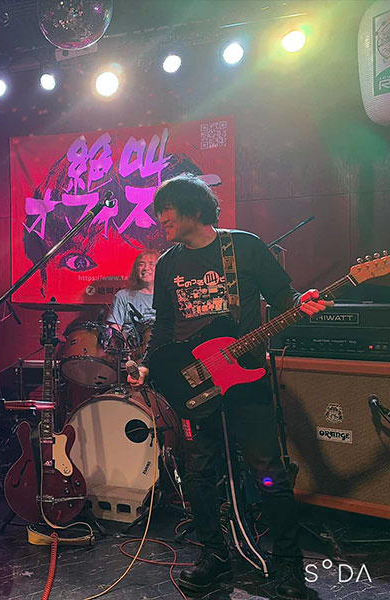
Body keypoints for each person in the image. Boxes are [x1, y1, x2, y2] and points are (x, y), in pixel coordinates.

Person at [128, 174, 330, 600]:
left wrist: (302, 303)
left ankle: (289, 566)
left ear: (194, 208)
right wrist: (147, 365)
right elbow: (163, 326)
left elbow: (284, 297)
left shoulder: (243, 247)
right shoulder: (167, 264)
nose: (160, 217)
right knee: (199, 475)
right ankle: (214, 557)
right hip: (193, 385)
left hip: (245, 377)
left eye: (167, 208)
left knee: (269, 473)